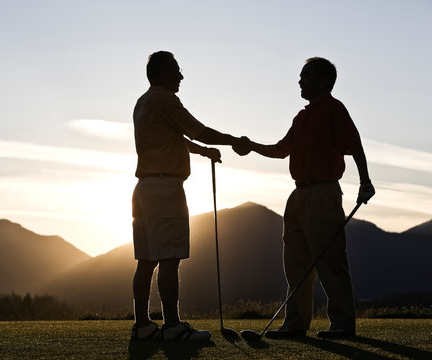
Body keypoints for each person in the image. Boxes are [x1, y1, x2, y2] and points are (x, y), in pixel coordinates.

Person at [236, 57, 375, 339]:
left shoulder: (334, 109)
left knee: (330, 260)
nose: (299, 81)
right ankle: (295, 324)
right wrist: (251, 146)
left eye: (305, 76)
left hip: (323, 192)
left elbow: (354, 145)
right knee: (296, 262)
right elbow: (280, 149)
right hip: (298, 194)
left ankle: (343, 325)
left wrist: (365, 181)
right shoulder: (302, 117)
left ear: (322, 81)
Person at [131, 51, 248, 341]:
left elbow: (176, 137)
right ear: (161, 73)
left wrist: (203, 152)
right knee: (169, 258)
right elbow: (198, 131)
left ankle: (143, 326)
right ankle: (172, 327)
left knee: (146, 261)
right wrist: (233, 140)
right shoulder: (165, 99)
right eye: (176, 71)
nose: (181, 76)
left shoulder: (143, 102)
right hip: (165, 189)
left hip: (143, 189)